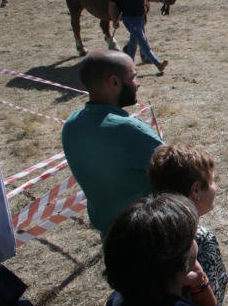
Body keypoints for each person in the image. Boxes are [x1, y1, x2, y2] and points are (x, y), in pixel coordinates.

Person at [61, 50, 164, 234]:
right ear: (114, 82)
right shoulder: (130, 130)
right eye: (134, 77)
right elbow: (178, 171)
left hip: (110, 234)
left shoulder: (71, 124)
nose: (138, 83)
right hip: (147, 230)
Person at [148, 144, 228, 306]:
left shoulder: (146, 230)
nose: (215, 188)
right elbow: (214, 299)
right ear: (196, 190)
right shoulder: (202, 240)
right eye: (212, 181)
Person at [108, 0, 168, 74]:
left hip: (140, 18)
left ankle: (128, 66)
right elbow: (112, 5)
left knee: (133, 42)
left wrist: (160, 0)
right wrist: (114, 20)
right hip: (129, 19)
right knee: (142, 40)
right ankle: (158, 63)